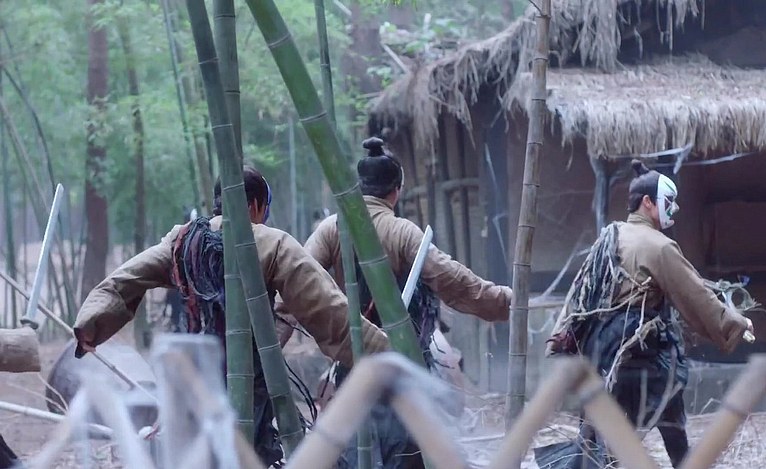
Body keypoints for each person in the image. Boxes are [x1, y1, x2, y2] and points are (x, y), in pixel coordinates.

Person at [73, 165, 390, 467]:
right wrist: (386, 352)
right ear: (254, 206)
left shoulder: (184, 240)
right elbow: (328, 310)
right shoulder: (270, 242)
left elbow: (127, 278)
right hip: (249, 382)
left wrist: (90, 324)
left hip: (196, 377)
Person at [305, 137, 512, 469]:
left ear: (359, 187)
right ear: (396, 191)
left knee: (354, 449)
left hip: (352, 360)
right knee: (404, 452)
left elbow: (300, 278)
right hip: (403, 362)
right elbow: (453, 281)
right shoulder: (403, 232)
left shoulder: (332, 228)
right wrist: (500, 301)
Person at [539, 161, 754, 469]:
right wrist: (735, 322)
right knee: (630, 433)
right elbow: (695, 294)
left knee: (608, 428)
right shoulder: (659, 246)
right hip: (638, 355)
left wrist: (561, 337)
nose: (675, 208)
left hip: (603, 353)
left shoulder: (610, 235)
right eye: (669, 201)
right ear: (648, 202)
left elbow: (579, 293)